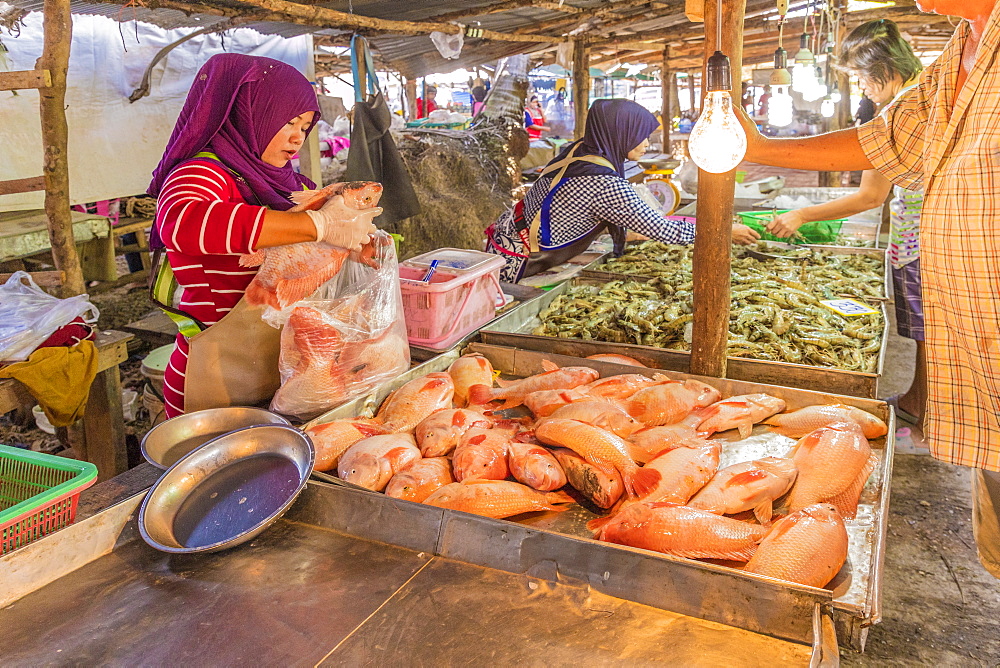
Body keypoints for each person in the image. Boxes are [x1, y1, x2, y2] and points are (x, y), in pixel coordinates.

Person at [736, 0, 1000, 579]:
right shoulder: (960, 49)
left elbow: (875, 181)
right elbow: (888, 144)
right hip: (969, 316)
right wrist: (755, 148)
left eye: (859, 75)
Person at [147, 54, 379, 418]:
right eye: (287, 122)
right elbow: (181, 222)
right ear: (249, 111)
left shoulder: (288, 183)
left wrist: (348, 245)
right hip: (217, 378)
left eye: (304, 127)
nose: (296, 138)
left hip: (283, 370)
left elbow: (300, 255)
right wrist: (317, 226)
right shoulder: (201, 173)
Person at [766, 19, 927, 428]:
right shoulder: (927, 93)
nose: (861, 87)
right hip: (923, 235)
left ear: (883, 68)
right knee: (927, 333)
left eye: (860, 77)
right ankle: (920, 401)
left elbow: (870, 196)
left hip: (923, 242)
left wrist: (800, 212)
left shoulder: (903, 109)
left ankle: (922, 405)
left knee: (928, 331)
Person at [486, 99, 759, 282]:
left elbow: (573, 210)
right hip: (513, 263)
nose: (646, 143)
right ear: (620, 133)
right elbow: (665, 230)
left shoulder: (581, 150)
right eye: (640, 134)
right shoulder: (603, 183)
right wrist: (722, 233)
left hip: (504, 241)